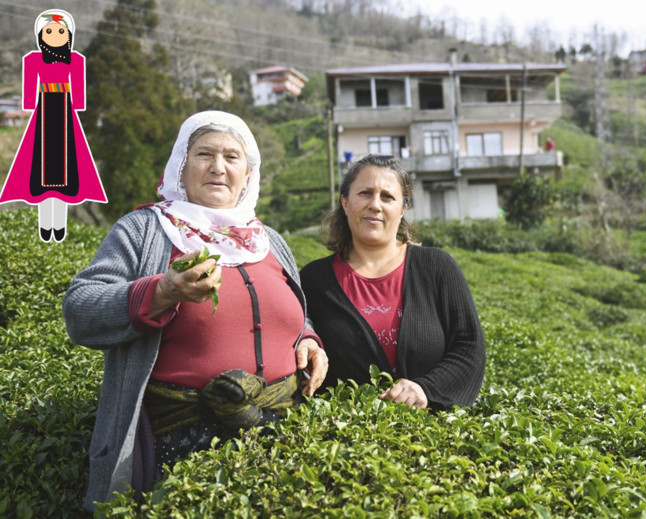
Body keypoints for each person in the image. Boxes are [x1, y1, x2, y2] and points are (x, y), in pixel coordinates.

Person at [62, 111, 327, 511]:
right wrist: (162, 291)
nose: (218, 167)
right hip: (181, 444)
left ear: (248, 174)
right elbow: (80, 309)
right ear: (181, 167)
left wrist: (307, 339)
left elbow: (294, 311)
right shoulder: (145, 230)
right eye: (204, 154)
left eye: (232, 157)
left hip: (279, 432)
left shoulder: (267, 240)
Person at [300, 154, 485, 410]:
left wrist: (425, 389)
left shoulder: (436, 268)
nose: (375, 205)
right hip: (344, 430)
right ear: (345, 202)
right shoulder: (313, 280)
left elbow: (469, 347)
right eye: (365, 193)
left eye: (387, 197)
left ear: (403, 208)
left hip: (434, 429)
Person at [0, 9, 107, 242]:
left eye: (60, 31)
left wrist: (74, 108)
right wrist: (33, 107)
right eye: (49, 31)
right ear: (41, 35)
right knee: (40, 175)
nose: (55, 35)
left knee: (66, 177)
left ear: (69, 35)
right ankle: (45, 225)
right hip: (43, 118)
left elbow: (78, 97)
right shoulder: (33, 60)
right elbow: (30, 96)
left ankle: (58, 225)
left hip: (65, 118)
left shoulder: (76, 60)